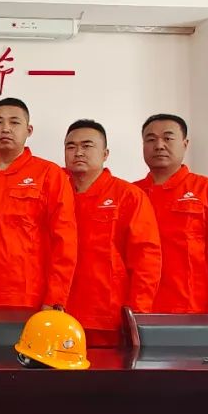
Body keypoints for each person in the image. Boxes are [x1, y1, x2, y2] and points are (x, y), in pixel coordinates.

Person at [0, 98, 77, 311]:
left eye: (14, 122)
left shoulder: (49, 174)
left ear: (29, 130)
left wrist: (54, 299)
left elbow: (65, 242)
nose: (6, 128)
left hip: (29, 298)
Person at [134, 114, 208, 314]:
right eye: (151, 139)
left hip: (194, 310)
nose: (159, 145)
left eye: (168, 138)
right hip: (138, 309)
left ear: (185, 144)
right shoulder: (130, 194)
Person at [64, 120, 161, 343]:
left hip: (109, 317)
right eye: (71, 146)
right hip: (60, 312)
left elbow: (146, 259)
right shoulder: (57, 191)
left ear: (105, 153)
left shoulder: (128, 195)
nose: (78, 152)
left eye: (87, 146)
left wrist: (136, 314)